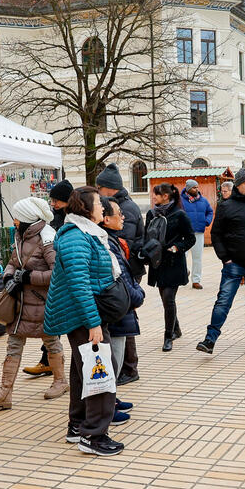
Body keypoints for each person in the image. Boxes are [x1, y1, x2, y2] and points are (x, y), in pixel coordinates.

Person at [43, 187, 123, 457]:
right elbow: (79, 286)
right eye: (99, 203)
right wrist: (93, 323)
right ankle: (94, 435)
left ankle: (77, 426)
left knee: (83, 371)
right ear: (86, 209)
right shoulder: (77, 237)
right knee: (101, 371)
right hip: (82, 316)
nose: (104, 207)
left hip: (84, 314)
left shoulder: (85, 233)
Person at [0, 197, 66, 409]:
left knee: (51, 341)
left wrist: (29, 277)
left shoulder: (48, 238)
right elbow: (12, 262)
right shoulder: (21, 235)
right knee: (13, 344)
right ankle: (4, 393)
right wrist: (9, 276)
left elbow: (59, 274)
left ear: (26, 217)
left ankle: (60, 381)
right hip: (20, 302)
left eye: (17, 216)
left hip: (43, 304)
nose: (14, 220)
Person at [197, 168, 245, 355]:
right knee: (223, 301)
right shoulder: (226, 206)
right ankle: (210, 339)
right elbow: (216, 234)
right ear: (238, 186)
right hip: (234, 265)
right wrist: (226, 259)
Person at [95, 164, 145, 386]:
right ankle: (127, 366)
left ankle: (128, 367)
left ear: (110, 189)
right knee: (125, 319)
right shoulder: (123, 205)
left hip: (127, 269)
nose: (98, 192)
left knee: (125, 319)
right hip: (125, 270)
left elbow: (125, 243)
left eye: (100, 188)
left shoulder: (124, 209)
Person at [23, 179, 72, 377]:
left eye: (57, 200)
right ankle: (48, 361)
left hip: (67, 278)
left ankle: (54, 363)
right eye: (52, 200)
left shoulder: (72, 220)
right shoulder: (55, 218)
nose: (53, 204)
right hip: (59, 280)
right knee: (53, 322)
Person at [99, 197, 142, 421]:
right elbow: (121, 278)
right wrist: (137, 296)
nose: (123, 217)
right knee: (112, 359)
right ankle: (107, 406)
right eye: (119, 214)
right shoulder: (106, 242)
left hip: (120, 307)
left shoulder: (113, 239)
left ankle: (111, 398)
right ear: (105, 219)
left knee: (116, 354)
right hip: (115, 308)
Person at [145, 183, 196, 351]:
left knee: (168, 298)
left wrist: (177, 248)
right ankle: (176, 328)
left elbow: (190, 238)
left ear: (166, 196)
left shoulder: (180, 215)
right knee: (166, 300)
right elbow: (147, 236)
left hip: (173, 263)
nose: (153, 197)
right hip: (157, 263)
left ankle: (168, 337)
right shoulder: (152, 214)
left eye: (156, 194)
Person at [181, 179, 213, 290]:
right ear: (188, 189)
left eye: (197, 187)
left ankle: (196, 280)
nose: (196, 189)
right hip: (184, 234)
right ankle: (185, 272)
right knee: (181, 256)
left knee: (197, 258)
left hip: (198, 233)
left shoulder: (203, 201)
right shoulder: (180, 201)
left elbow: (210, 211)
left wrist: (206, 221)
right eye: (194, 187)